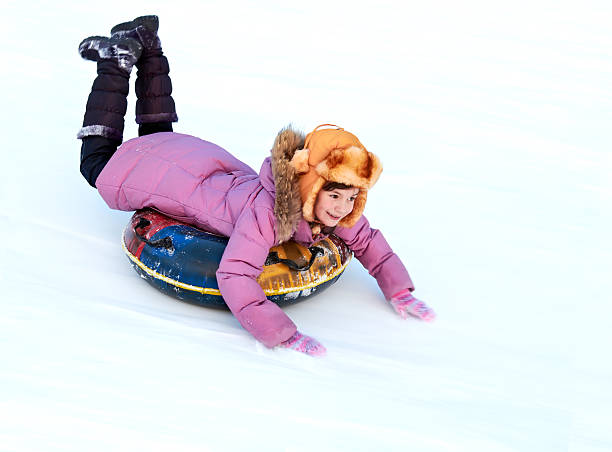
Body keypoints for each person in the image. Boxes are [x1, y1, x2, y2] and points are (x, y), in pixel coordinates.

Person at [77, 16, 436, 357]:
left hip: (202, 165)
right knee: (97, 164)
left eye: (352, 197)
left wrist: (399, 291)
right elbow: (233, 274)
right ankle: (115, 61)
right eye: (335, 195)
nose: (343, 208)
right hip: (181, 177)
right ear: (311, 186)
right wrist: (282, 333)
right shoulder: (268, 215)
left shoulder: (334, 209)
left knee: (158, 136)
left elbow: (369, 240)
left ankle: (147, 44)